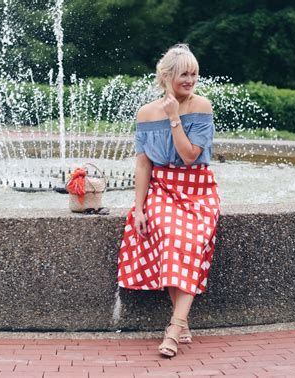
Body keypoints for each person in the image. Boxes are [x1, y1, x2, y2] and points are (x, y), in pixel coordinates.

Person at [117, 43, 221, 357]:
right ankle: (180, 325)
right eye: (184, 74)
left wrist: (175, 116)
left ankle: (175, 326)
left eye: (194, 74)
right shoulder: (146, 113)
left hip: (198, 188)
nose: (191, 80)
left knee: (189, 242)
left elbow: (190, 157)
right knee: (170, 237)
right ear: (166, 76)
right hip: (162, 189)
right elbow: (143, 163)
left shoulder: (202, 106)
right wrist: (139, 208)